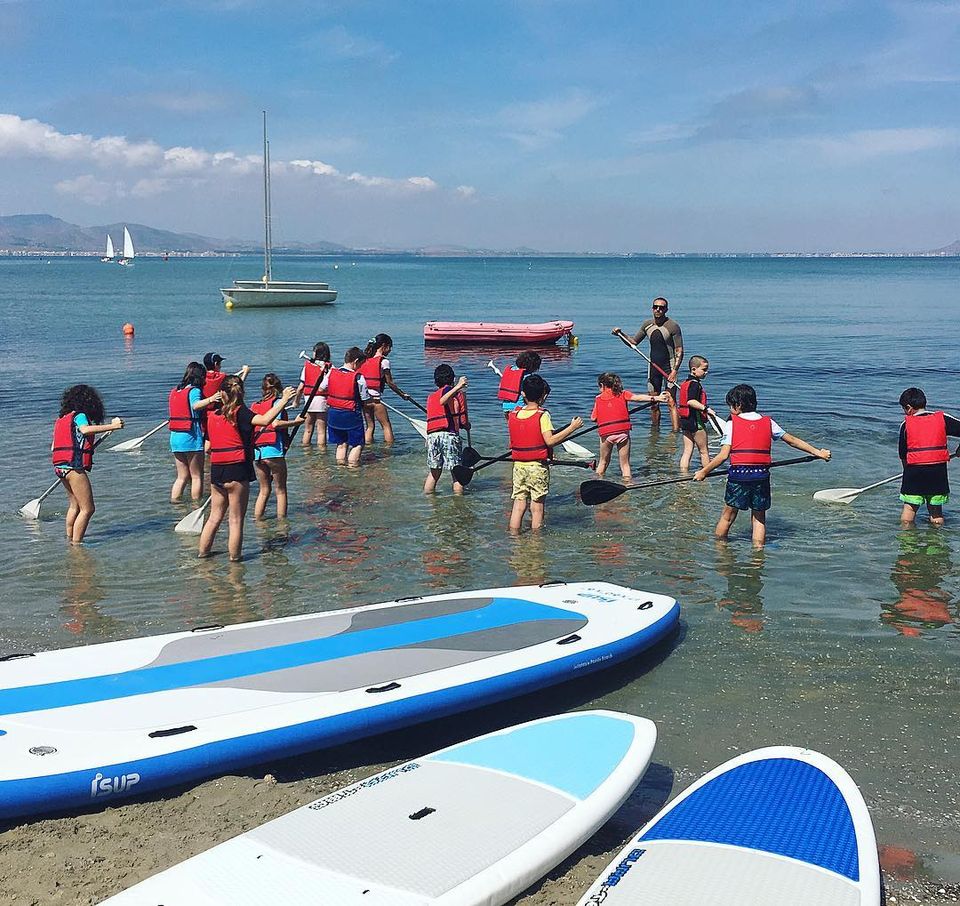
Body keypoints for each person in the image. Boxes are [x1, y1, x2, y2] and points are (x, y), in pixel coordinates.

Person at [694, 383, 831, 548]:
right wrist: (818, 452)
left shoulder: (732, 424)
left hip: (739, 476)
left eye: (731, 405)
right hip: (760, 476)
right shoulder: (768, 422)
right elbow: (792, 441)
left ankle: (720, 548)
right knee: (759, 518)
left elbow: (723, 455)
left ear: (738, 405)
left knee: (727, 516)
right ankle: (758, 553)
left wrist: (703, 471)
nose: (730, 409)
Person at [198, 375, 296, 561]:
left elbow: (208, 448)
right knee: (235, 520)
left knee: (214, 517)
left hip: (217, 471)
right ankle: (235, 562)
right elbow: (266, 420)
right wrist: (283, 400)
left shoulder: (213, 416)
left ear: (222, 394)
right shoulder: (242, 412)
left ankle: (202, 555)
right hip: (237, 470)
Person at [508, 374, 583, 533]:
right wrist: (572, 428)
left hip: (518, 466)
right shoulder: (543, 415)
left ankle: (514, 536)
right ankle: (536, 541)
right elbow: (549, 441)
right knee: (537, 506)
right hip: (537, 467)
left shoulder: (514, 414)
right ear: (543, 396)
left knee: (519, 503)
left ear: (523, 394)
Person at [51, 384, 124, 543]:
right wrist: (114, 426)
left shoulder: (62, 419)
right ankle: (77, 545)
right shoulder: (79, 415)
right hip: (73, 468)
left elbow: (54, 446)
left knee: (74, 506)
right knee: (88, 509)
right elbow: (85, 430)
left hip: (60, 467)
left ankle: (69, 539)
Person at [613, 297, 683, 431]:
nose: (658, 309)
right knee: (653, 402)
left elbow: (679, 350)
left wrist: (674, 371)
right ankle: (654, 434)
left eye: (661, 308)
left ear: (666, 310)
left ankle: (675, 434)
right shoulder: (647, 324)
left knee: (671, 401)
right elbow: (633, 342)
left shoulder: (673, 326)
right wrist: (620, 334)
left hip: (669, 367)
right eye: (656, 307)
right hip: (653, 367)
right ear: (652, 308)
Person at [897, 387, 960, 526]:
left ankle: (908, 545)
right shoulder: (943, 418)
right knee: (936, 512)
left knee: (909, 510)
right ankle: (937, 543)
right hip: (937, 474)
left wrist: (906, 472)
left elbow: (903, 454)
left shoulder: (906, 425)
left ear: (908, 408)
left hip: (914, 473)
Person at [590, 372, 667, 481]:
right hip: (622, 433)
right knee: (625, 465)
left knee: (603, 462)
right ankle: (628, 485)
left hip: (606, 435)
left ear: (602, 385)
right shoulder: (623, 394)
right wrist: (657, 398)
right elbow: (638, 398)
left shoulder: (598, 399)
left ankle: (595, 482)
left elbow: (593, 418)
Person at [251, 373, 305, 519]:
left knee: (263, 490)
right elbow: (276, 424)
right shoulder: (277, 403)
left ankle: (258, 520)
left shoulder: (254, 406)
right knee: (280, 490)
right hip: (273, 451)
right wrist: (296, 422)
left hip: (257, 453)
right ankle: (282, 523)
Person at [168, 361, 217, 502]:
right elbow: (195, 405)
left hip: (175, 437)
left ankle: (175, 503)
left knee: (181, 476)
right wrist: (211, 399)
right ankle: (196, 505)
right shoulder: (194, 391)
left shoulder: (175, 391)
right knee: (197, 475)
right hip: (190, 437)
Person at [358, 334, 413, 445]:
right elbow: (390, 383)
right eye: (390, 347)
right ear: (384, 346)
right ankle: (389, 450)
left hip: (364, 401)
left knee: (370, 426)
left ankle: (368, 448)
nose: (390, 350)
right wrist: (402, 395)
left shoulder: (364, 361)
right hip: (376, 401)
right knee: (386, 426)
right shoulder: (384, 362)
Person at [424, 365, 469, 495]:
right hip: (448, 435)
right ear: (452, 379)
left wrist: (466, 424)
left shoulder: (431, 396)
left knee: (434, 473)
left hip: (432, 437)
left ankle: (429, 501)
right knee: (456, 474)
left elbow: (461, 421)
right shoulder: (450, 392)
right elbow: (443, 401)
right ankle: (459, 503)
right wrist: (459, 386)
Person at [325, 347, 370, 466]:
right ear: (356, 361)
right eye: (360, 364)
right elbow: (365, 399)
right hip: (350, 414)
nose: (360, 367)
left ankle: (340, 469)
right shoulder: (359, 378)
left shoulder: (331, 373)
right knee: (358, 444)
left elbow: (322, 388)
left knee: (341, 443)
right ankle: (352, 469)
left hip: (333, 414)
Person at [677, 355, 717, 473]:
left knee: (687, 450)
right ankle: (707, 473)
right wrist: (706, 409)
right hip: (695, 421)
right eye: (704, 370)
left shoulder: (686, 383)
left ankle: (683, 475)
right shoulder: (695, 384)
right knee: (704, 451)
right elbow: (691, 401)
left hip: (685, 421)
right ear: (694, 369)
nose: (706, 372)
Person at [296, 341, 331, 449]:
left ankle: (306, 450)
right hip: (321, 400)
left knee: (308, 429)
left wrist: (296, 401)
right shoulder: (329, 367)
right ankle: (322, 453)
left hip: (309, 400)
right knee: (321, 430)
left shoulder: (307, 366)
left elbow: (301, 387)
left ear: (316, 353)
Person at [497, 351, 542, 421]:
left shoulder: (510, 370)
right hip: (519, 408)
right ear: (532, 366)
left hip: (506, 408)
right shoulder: (527, 376)